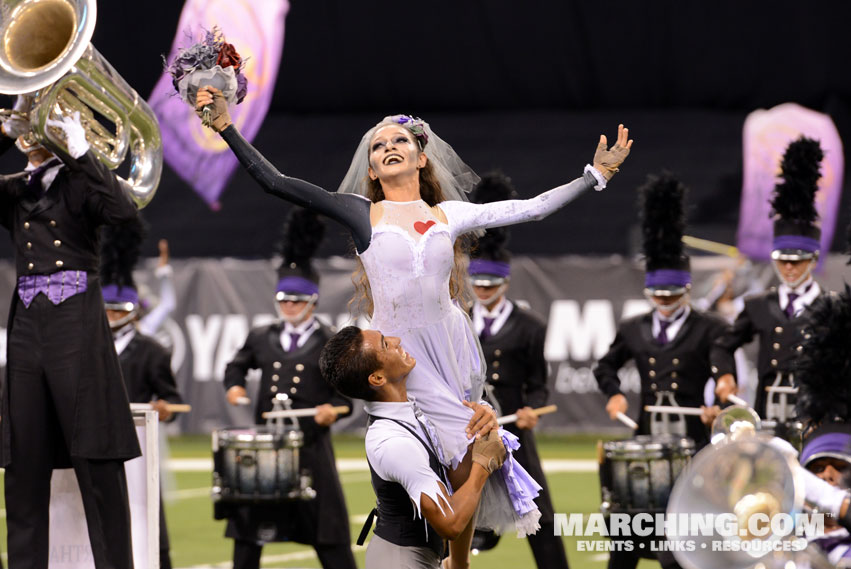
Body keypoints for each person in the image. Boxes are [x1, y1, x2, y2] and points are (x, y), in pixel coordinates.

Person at [196, 87, 632, 557]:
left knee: (468, 454)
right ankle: (421, 547)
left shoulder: (450, 215)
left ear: (421, 158)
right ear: (370, 169)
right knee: (423, 458)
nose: (388, 147)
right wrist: (225, 127)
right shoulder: (361, 213)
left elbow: (532, 208)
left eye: (399, 141)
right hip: (399, 355)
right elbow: (277, 182)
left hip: (451, 345)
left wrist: (596, 174)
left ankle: (457, 563)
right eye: (379, 146)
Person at [0, 102, 140, 568]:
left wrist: (81, 152)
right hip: (25, 331)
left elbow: (123, 211)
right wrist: (5, 129)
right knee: (23, 469)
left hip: (76, 327)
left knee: (96, 462)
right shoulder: (15, 190)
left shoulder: (80, 183)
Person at [221, 208, 356, 569]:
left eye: (296, 300)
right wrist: (234, 386)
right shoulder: (261, 336)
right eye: (283, 300)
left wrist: (334, 410)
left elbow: (346, 399)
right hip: (266, 449)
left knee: (330, 536)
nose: (289, 306)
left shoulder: (332, 341)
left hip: (311, 450)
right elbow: (235, 366)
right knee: (248, 536)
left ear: (312, 301)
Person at [319, 325, 508, 569]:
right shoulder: (393, 442)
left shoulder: (409, 409)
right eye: (386, 344)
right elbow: (449, 523)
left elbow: (453, 475)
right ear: (377, 378)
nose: (398, 340)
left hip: (416, 556)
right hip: (401, 560)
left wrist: (484, 416)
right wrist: (483, 465)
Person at [465, 172, 570, 567]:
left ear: (505, 282)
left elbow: (538, 385)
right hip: (466, 431)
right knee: (453, 510)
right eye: (479, 282)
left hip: (513, 434)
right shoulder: (457, 320)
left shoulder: (530, 327)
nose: (484, 290)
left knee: (539, 515)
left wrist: (531, 410)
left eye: (492, 284)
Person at [595, 173, 728, 452]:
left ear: (687, 290)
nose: (664, 300)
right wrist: (614, 393)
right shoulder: (633, 327)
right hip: (647, 433)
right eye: (657, 294)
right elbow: (605, 365)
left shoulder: (712, 328)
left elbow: (725, 376)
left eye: (672, 294)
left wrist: (718, 407)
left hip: (697, 436)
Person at [712, 137, 827, 422]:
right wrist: (725, 375)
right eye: (782, 260)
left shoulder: (831, 308)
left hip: (814, 417)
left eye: (796, 261)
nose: (789, 268)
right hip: (767, 415)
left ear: (812, 260)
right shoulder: (758, 305)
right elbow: (722, 345)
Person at [100, 216, 185, 569]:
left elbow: (173, 399)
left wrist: (165, 408)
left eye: (117, 310)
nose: (109, 316)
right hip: (95, 438)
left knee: (146, 506)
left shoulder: (151, 348)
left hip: (138, 441)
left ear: (132, 311)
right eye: (105, 309)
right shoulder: (85, 344)